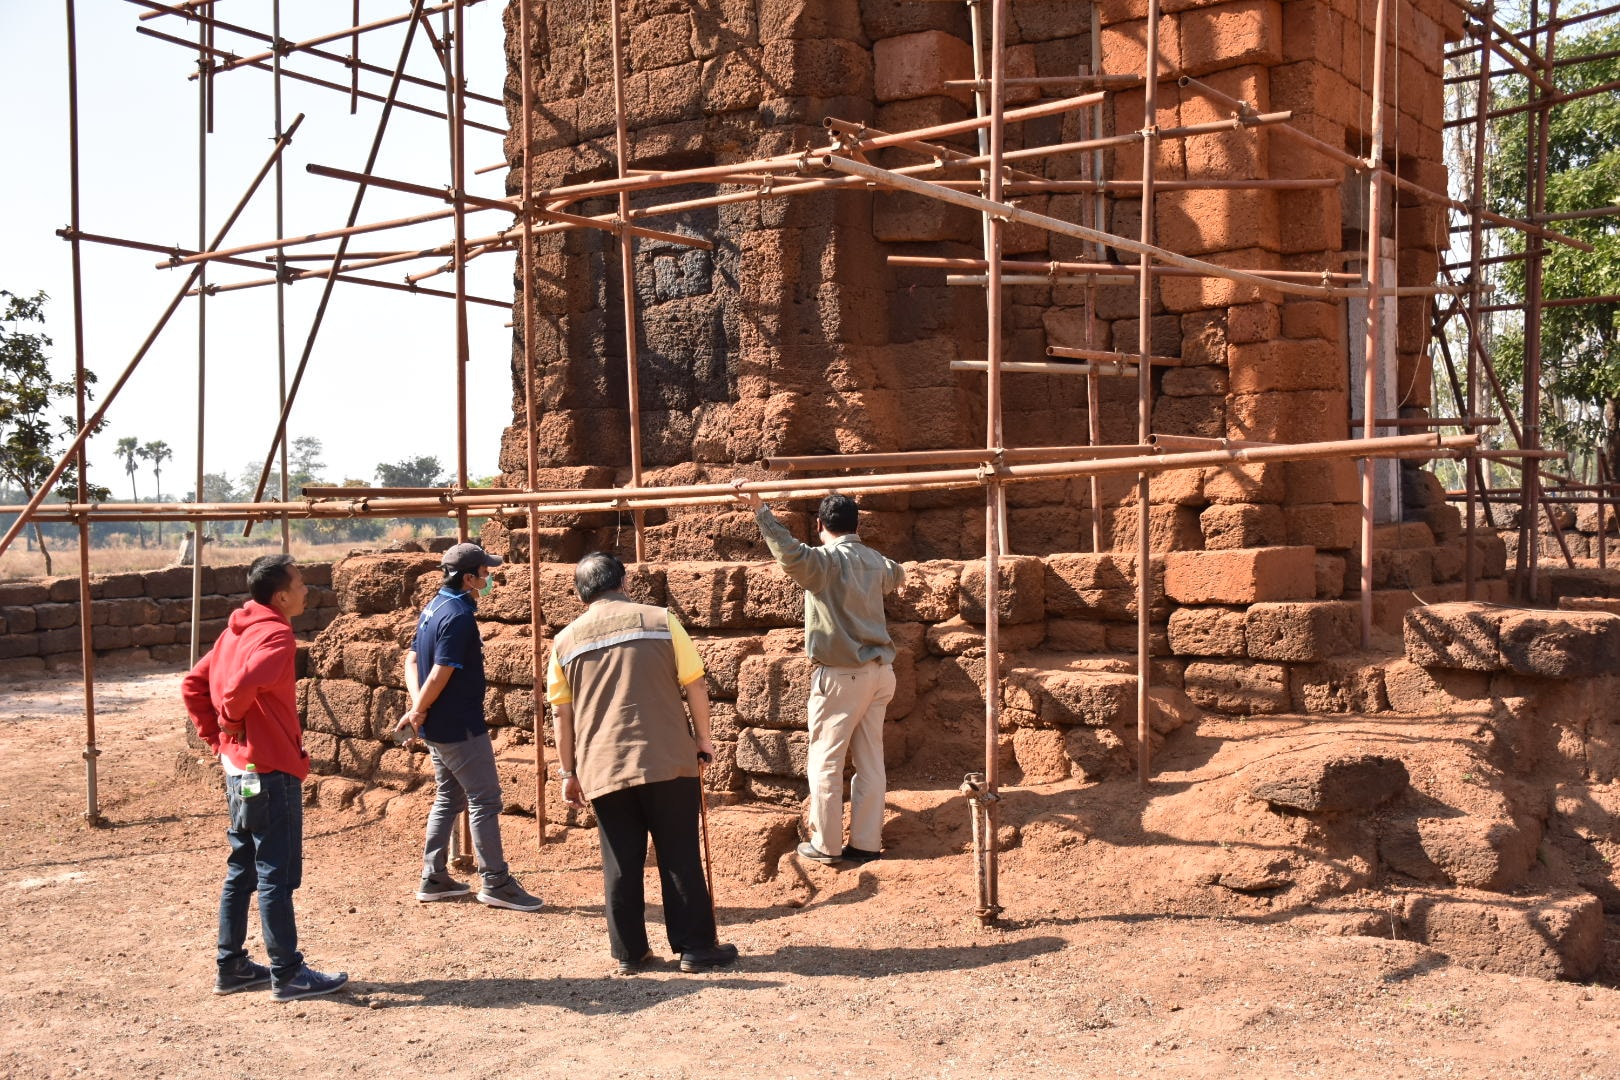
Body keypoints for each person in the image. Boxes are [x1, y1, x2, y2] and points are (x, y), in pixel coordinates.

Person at [548, 552, 738, 975]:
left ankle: (630, 954)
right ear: (625, 581)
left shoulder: (564, 642)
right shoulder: (661, 620)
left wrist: (568, 772)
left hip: (602, 766)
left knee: (620, 861)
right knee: (679, 853)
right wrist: (703, 739)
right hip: (667, 758)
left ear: (580, 594)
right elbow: (695, 684)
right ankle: (695, 948)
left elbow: (561, 713)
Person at [183, 554, 349, 1002]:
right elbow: (240, 689)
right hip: (270, 770)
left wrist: (219, 740)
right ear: (281, 596)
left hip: (240, 769)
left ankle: (232, 966)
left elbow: (193, 684)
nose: (306, 590)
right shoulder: (276, 635)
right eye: (300, 584)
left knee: (243, 868)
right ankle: (288, 973)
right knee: (277, 873)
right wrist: (229, 722)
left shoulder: (234, 632)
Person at [733, 482, 905, 865]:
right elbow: (897, 574)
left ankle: (826, 845)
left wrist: (760, 510)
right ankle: (866, 843)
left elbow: (788, 552)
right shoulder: (876, 560)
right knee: (870, 760)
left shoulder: (824, 563)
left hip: (843, 676)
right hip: (880, 673)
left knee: (825, 761)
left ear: (819, 525)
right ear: (856, 525)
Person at [394, 542, 543, 913]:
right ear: (468, 578)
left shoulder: (434, 606)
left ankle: (434, 877)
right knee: (485, 800)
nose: (488, 578)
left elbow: (411, 660)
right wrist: (419, 709)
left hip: (437, 725)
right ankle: (496, 882)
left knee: (450, 797)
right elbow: (441, 671)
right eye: (484, 572)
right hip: (459, 726)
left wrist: (418, 708)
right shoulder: (459, 615)